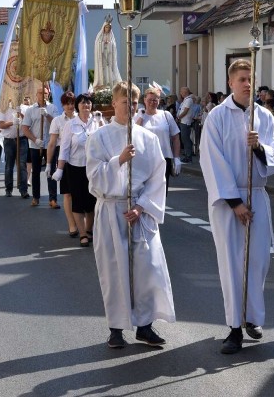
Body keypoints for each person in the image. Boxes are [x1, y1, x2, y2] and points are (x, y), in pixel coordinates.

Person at [200, 59, 274, 355]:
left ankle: (252, 316)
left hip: (258, 194)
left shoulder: (264, 116)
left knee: (258, 260)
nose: (247, 83)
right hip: (229, 201)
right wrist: (235, 202)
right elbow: (212, 161)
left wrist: (260, 148)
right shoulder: (216, 117)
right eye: (241, 79)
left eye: (251, 78)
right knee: (232, 263)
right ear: (230, 83)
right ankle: (234, 328)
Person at [86, 81, 175, 349]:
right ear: (114, 104)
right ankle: (116, 328)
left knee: (147, 269)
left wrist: (141, 206)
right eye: (126, 102)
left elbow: (158, 176)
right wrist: (119, 161)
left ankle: (145, 325)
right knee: (114, 272)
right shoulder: (99, 137)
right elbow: (93, 178)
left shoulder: (147, 138)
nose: (131, 106)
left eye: (134, 102)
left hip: (140, 212)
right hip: (111, 210)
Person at [53, 93, 99, 246]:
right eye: (82, 103)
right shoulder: (70, 125)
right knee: (78, 201)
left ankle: (89, 229)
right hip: (75, 168)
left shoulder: (97, 121)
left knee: (92, 202)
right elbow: (64, 149)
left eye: (88, 103)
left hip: (93, 168)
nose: (86, 106)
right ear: (77, 106)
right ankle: (82, 234)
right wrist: (59, 169)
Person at [135, 87, 181, 190]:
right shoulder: (138, 116)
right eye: (150, 100)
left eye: (155, 100)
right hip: (145, 159)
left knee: (162, 191)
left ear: (159, 101)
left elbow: (175, 137)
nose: (152, 102)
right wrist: (141, 117)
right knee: (145, 191)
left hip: (164, 158)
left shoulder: (166, 115)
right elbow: (134, 134)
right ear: (144, 100)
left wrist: (177, 157)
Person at [22, 86, 58, 207]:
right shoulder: (30, 110)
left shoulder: (53, 108)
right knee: (36, 172)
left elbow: (57, 124)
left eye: (45, 93)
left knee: (51, 171)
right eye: (40, 93)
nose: (43, 95)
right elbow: (25, 128)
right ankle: (36, 197)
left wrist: (47, 115)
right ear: (36, 94)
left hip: (50, 144)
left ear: (49, 94)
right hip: (35, 145)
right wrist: (35, 139)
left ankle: (52, 199)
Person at [47, 93, 77, 236]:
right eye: (67, 103)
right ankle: (72, 224)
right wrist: (48, 164)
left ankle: (82, 222)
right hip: (63, 157)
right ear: (63, 105)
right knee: (68, 193)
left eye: (72, 103)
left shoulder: (81, 118)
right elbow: (52, 143)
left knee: (81, 193)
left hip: (80, 156)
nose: (70, 106)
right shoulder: (57, 121)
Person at [0, 102, 28, 198]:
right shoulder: (4, 107)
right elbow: (1, 125)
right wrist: (12, 122)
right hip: (9, 140)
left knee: (22, 165)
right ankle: (8, 189)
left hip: (22, 139)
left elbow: (29, 123)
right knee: (9, 165)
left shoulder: (25, 108)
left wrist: (22, 114)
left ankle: (23, 189)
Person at [93, 19, 122, 89]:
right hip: (102, 58)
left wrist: (109, 44)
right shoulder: (99, 36)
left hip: (109, 58)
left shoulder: (111, 36)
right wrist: (103, 44)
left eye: (109, 27)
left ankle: (110, 85)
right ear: (103, 28)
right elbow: (97, 45)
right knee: (103, 72)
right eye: (106, 27)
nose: (108, 29)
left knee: (109, 71)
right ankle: (102, 85)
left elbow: (114, 46)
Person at [177, 87, 196, 163]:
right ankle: (187, 154)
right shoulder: (186, 99)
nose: (180, 93)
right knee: (184, 139)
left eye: (181, 92)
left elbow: (185, 111)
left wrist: (178, 117)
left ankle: (188, 156)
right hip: (183, 121)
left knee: (186, 139)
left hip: (185, 122)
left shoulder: (188, 100)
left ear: (185, 92)